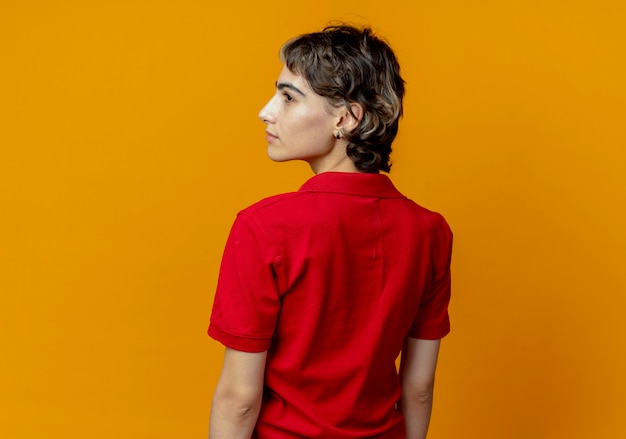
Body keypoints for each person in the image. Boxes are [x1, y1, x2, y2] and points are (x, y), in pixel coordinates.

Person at [208, 24, 453, 439]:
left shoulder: (263, 227)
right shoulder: (430, 231)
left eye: (288, 97)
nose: (266, 111)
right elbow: (419, 387)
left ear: (346, 116)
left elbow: (239, 397)